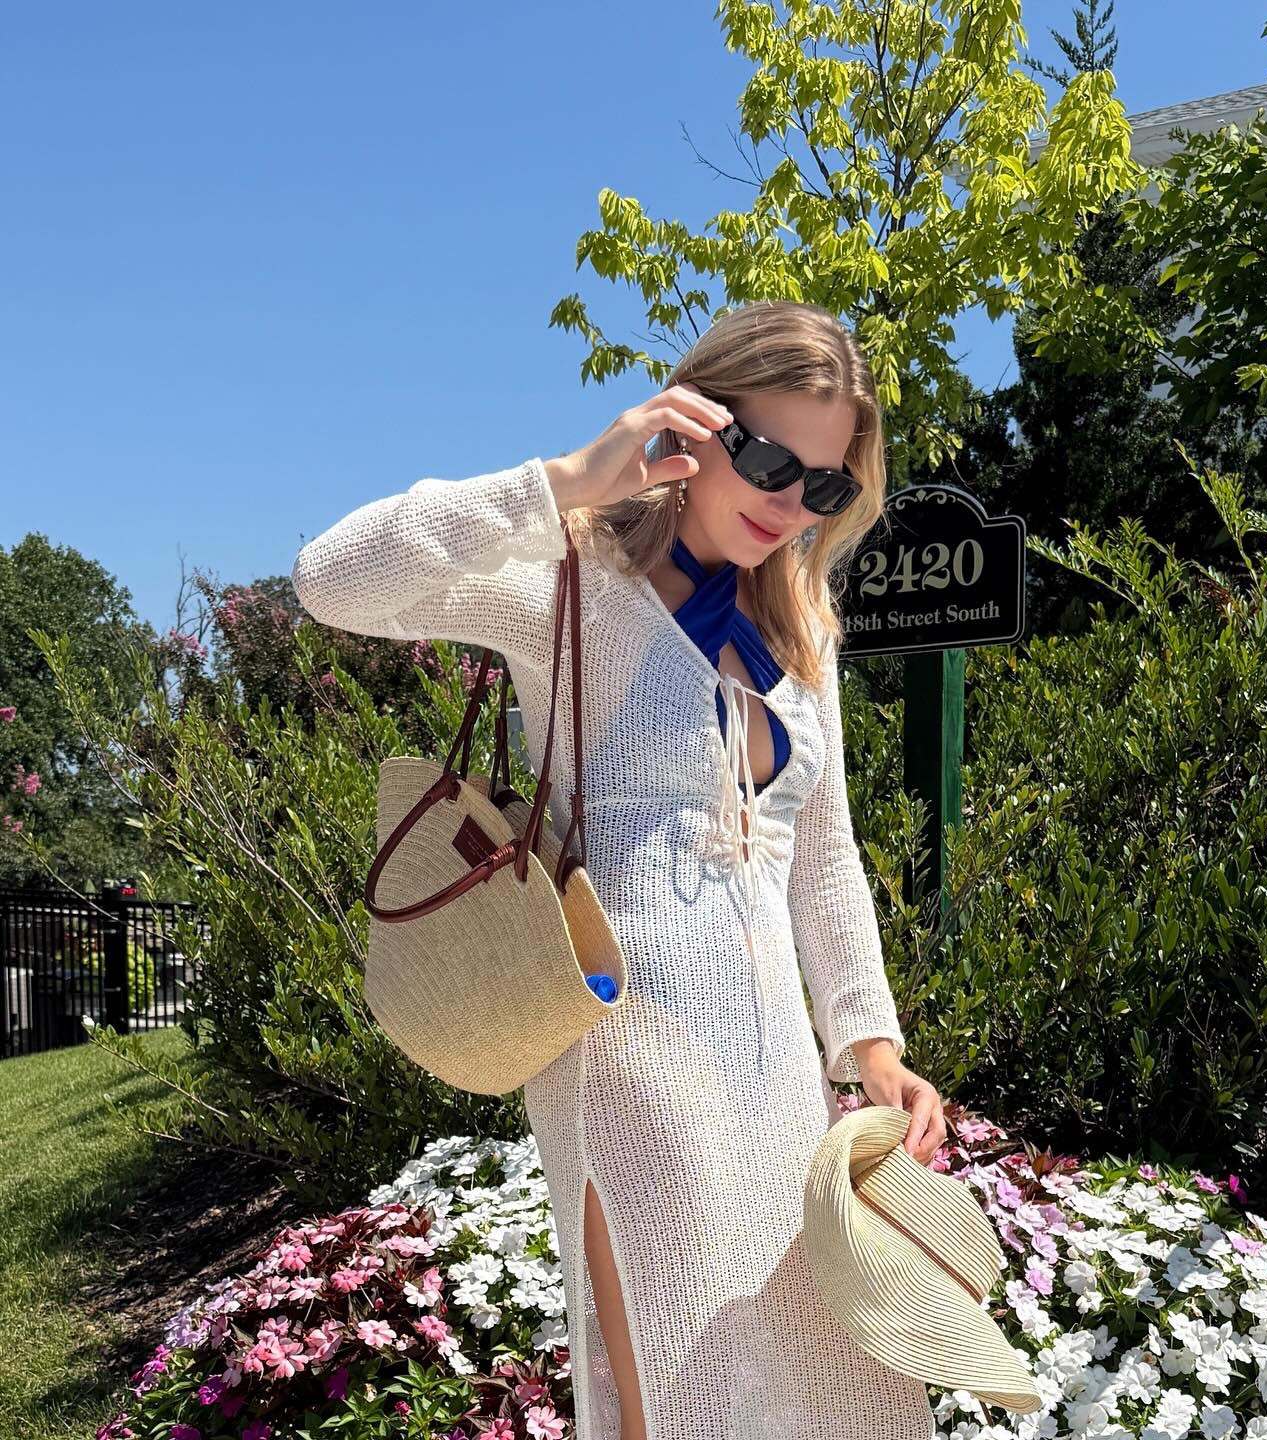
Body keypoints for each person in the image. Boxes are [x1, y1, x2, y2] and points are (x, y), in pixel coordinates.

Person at [291, 299, 949, 1440]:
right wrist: (559, 481)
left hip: (775, 1065)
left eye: (826, 485)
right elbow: (330, 579)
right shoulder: (568, 573)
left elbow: (822, 856)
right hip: (628, 1043)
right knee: (672, 1362)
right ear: (695, 422)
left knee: (811, 1363)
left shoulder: (805, 620)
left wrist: (871, 1047)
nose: (790, 502)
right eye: (766, 458)